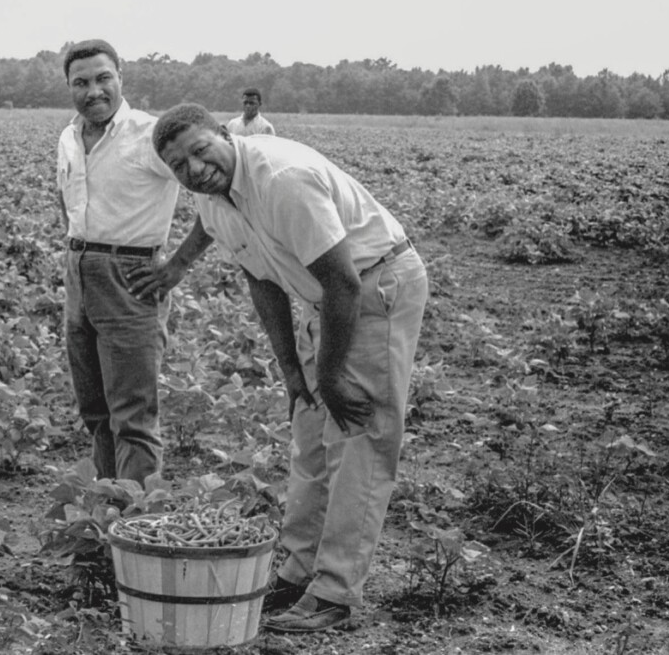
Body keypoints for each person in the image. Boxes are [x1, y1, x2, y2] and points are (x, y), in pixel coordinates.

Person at [126, 104, 428, 633]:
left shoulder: (282, 180)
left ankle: (335, 591)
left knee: (357, 436)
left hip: (373, 287)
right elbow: (261, 280)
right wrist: (292, 370)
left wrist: (330, 377)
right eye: (180, 166)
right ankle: (297, 567)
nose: (194, 169)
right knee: (309, 431)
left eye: (201, 151)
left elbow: (342, 285)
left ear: (226, 135)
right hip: (322, 299)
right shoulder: (214, 198)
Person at [55, 39, 181, 486]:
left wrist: (176, 266)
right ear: (69, 87)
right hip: (79, 272)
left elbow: (215, 191)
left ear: (121, 77)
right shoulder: (69, 137)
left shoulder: (150, 134)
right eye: (81, 82)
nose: (94, 90)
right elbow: (68, 200)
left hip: (131, 277)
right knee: (95, 410)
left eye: (103, 78)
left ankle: (137, 526)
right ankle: (108, 510)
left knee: (132, 416)